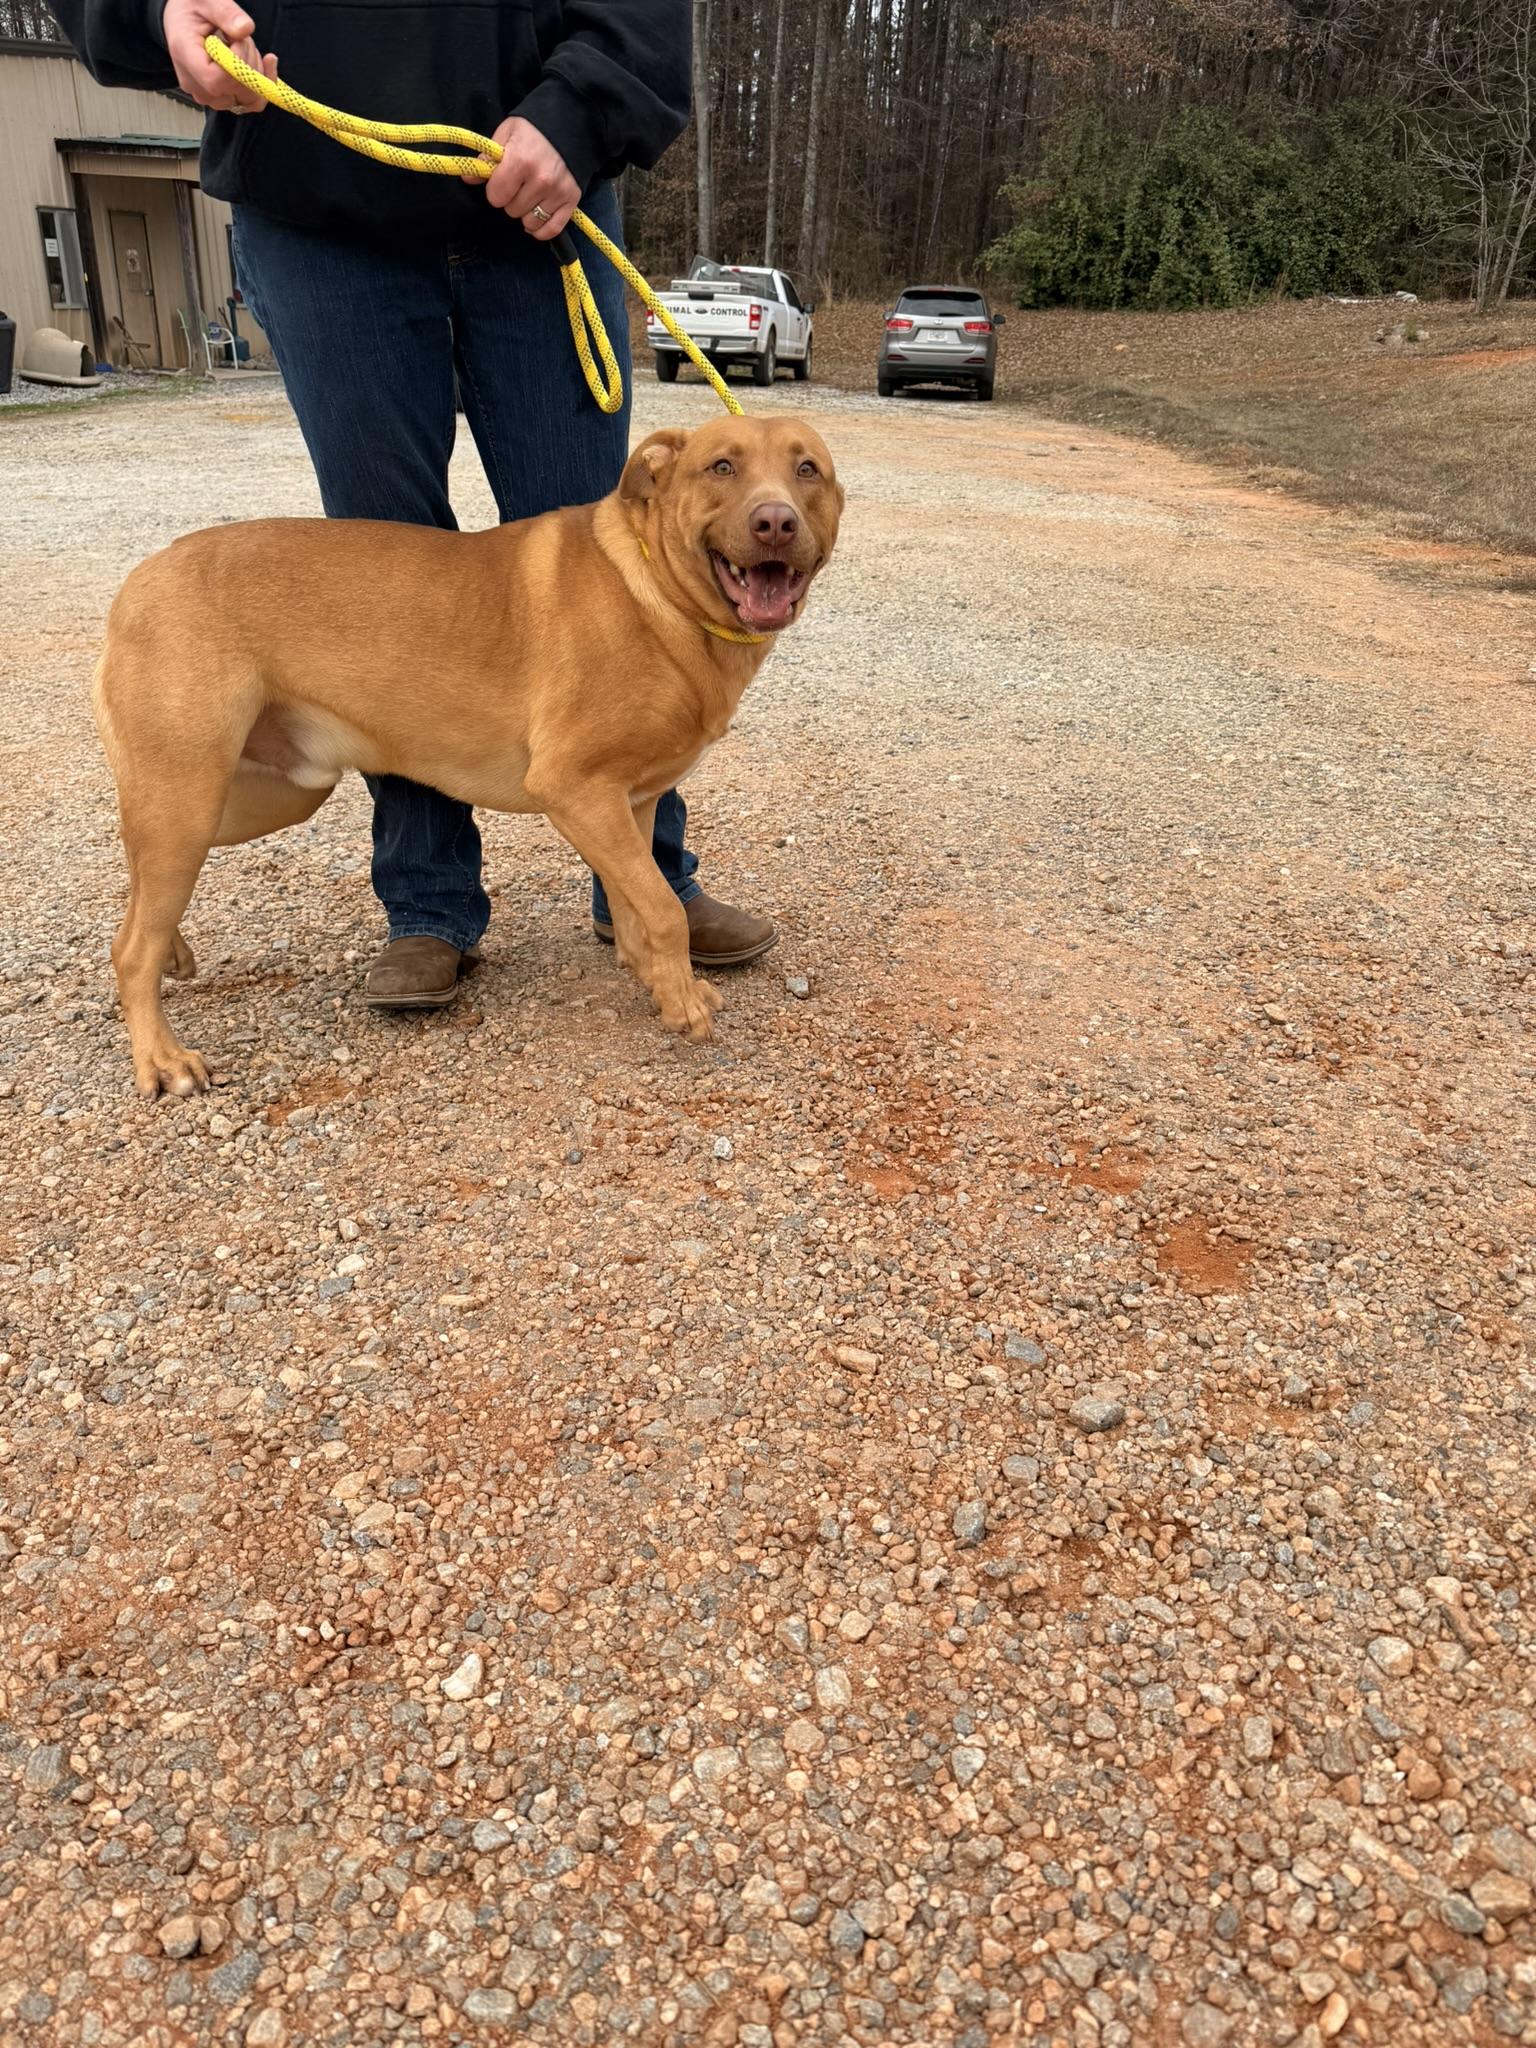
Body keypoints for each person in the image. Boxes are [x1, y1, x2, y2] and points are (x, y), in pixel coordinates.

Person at [52, 0, 778, 1007]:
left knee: (612, 576)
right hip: (320, 215)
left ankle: (643, 882)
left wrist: (581, 109)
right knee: (380, 609)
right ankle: (429, 905)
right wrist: (151, 13)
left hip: (543, 203)